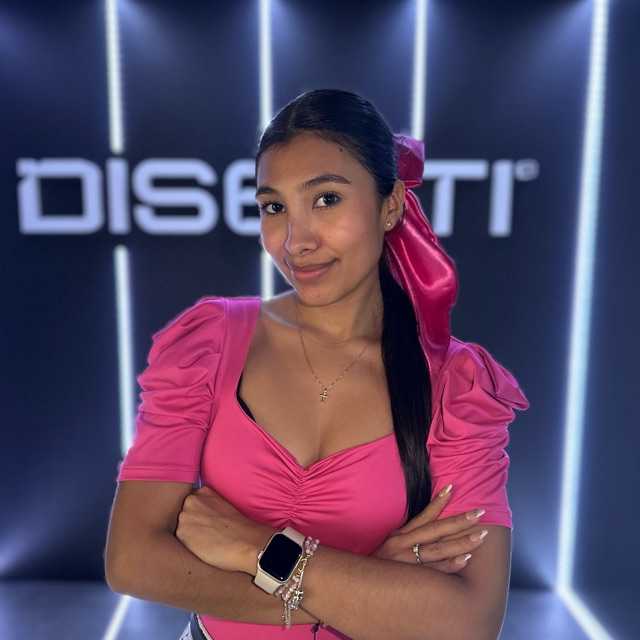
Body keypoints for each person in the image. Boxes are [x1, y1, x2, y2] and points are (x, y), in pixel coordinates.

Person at [105, 88, 530, 640]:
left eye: (326, 199)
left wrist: (257, 548)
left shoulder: (456, 386)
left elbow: (469, 622)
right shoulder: (209, 343)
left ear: (391, 205)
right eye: (273, 207)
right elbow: (132, 560)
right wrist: (367, 582)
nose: (295, 241)